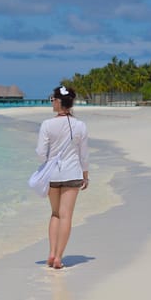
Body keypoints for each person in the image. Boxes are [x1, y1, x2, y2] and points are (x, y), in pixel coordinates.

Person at [35, 85, 89, 269]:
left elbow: (41, 154)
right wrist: (86, 175)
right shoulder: (80, 126)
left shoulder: (47, 125)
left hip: (53, 174)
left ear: (58, 102)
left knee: (55, 214)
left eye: (52, 100)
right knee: (66, 216)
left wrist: (48, 160)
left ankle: (51, 254)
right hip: (73, 173)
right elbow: (84, 155)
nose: (52, 103)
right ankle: (59, 257)